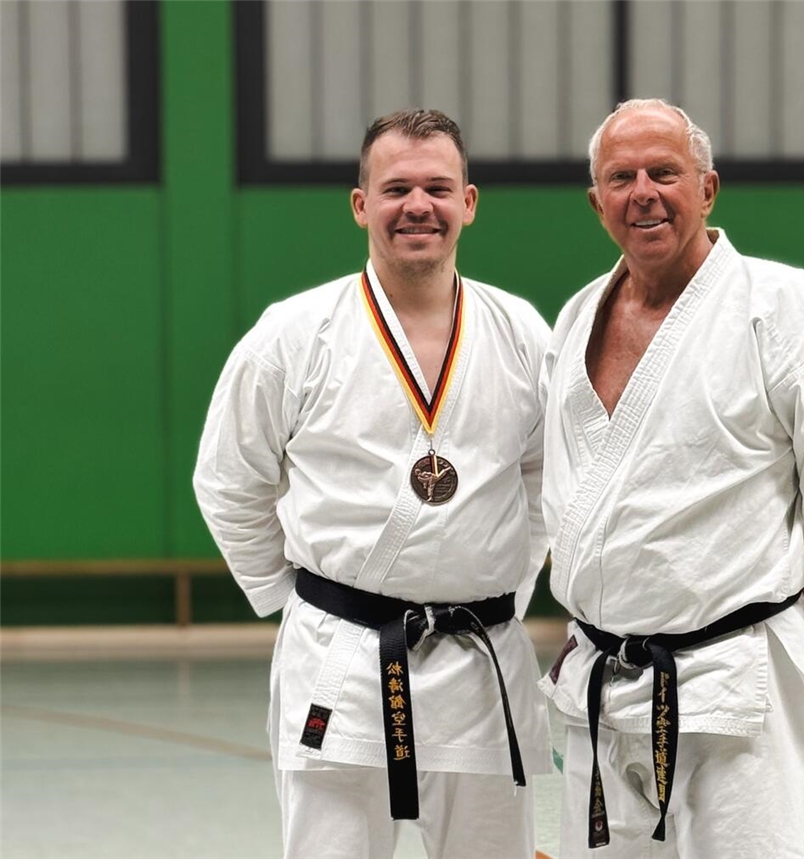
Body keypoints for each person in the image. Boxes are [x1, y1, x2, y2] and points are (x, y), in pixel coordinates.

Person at [539, 98, 804, 858]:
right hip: (602, 688)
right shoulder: (578, 317)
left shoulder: (780, 306)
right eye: (621, 176)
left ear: (708, 188)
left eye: (664, 172)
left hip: (733, 687)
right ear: (596, 201)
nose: (643, 191)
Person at [194, 109, 552, 859]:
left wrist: (500, 590)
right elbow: (229, 481)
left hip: (480, 664)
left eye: (436, 187)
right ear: (362, 205)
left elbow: (545, 480)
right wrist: (291, 600)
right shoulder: (295, 334)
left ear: (469, 202)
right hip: (344, 660)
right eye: (395, 189)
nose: (417, 205)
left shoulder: (523, 333)